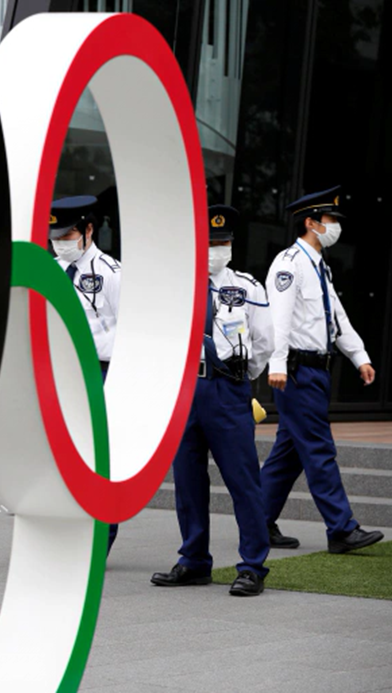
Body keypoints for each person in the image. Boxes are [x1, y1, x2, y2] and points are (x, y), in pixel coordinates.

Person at [150, 205, 273, 596]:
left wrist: (239, 377)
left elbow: (264, 342)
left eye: (220, 243)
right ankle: (194, 559)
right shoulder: (178, 285)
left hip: (225, 389)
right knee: (187, 480)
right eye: (207, 243)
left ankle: (252, 565)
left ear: (231, 245)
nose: (213, 250)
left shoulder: (248, 287)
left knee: (242, 480)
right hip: (186, 390)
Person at [261, 186, 383, 554]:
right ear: (311, 223)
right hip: (297, 372)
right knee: (318, 448)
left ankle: (258, 521)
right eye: (330, 220)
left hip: (316, 371)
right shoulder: (289, 264)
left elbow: (336, 318)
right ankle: (341, 529)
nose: (335, 227)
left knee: (289, 453)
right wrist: (277, 364)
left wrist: (359, 355)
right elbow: (277, 319)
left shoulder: (319, 266)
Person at [48, 194, 121, 551]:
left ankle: (100, 539)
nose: (61, 244)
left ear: (89, 230)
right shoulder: (52, 270)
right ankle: (66, 535)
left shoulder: (111, 274)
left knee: (99, 458)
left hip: (100, 373)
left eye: (67, 235)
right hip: (61, 374)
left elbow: (128, 329)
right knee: (64, 456)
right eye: (55, 238)